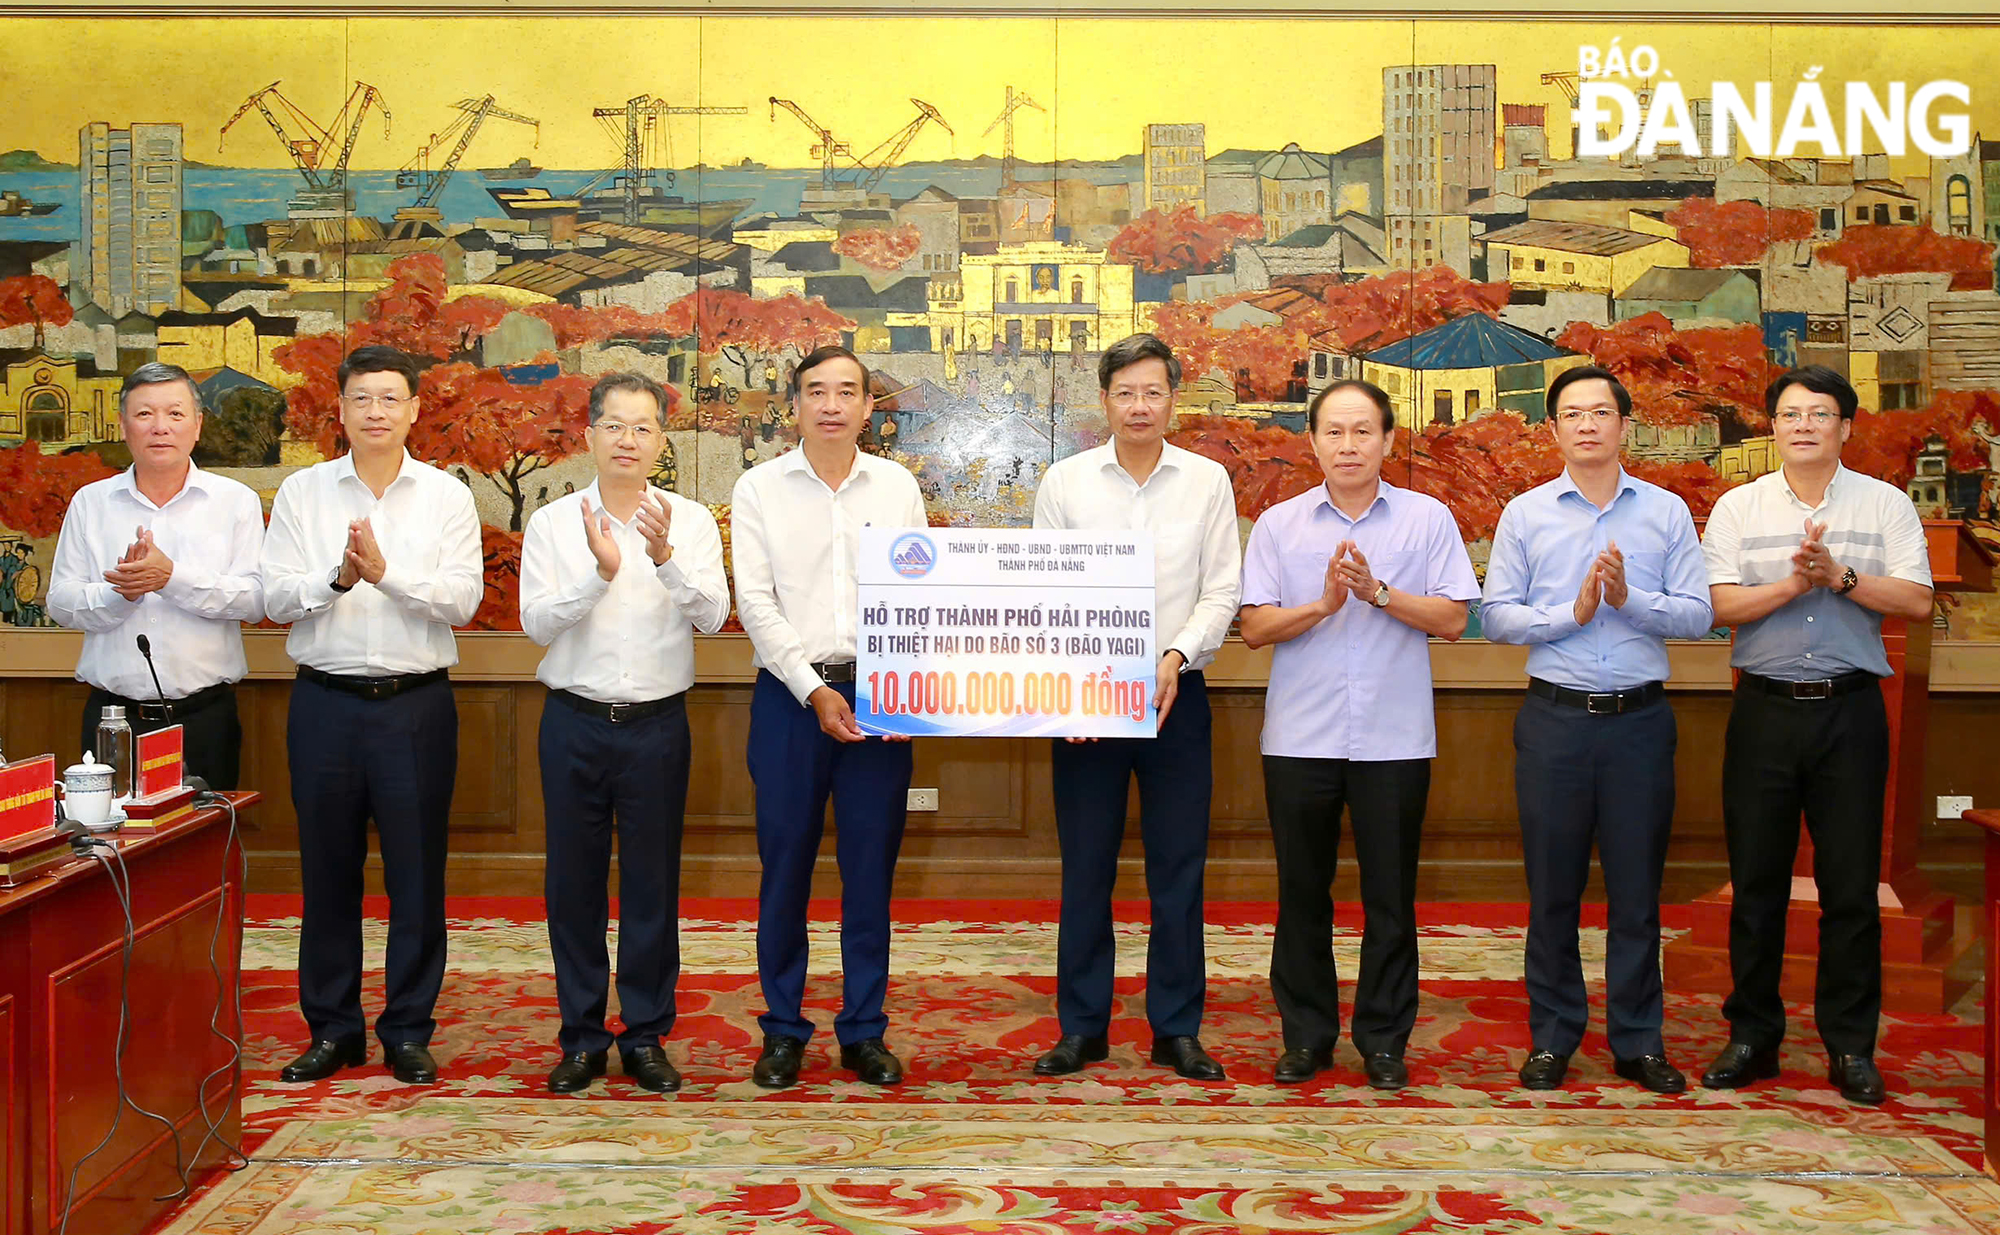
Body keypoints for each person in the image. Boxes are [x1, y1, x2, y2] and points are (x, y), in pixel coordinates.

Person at [1697, 365, 1933, 1106]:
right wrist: (1796, 584)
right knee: (1758, 883)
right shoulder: (1738, 506)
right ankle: (1752, 1035)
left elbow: (1919, 600)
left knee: (1851, 887)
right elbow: (1720, 605)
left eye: (1820, 413)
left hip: (1850, 712)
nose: (1803, 424)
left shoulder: (1886, 504)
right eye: (1790, 413)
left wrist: (1842, 575)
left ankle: (1850, 1046)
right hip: (1763, 710)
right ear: (1771, 426)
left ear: (1845, 427)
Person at [1237, 380, 1478, 1090]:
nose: (1349, 445)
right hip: (1300, 737)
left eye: (1363, 432)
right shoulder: (1280, 525)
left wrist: (1377, 594)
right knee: (1301, 893)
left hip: (1394, 737)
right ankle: (1307, 1036)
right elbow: (1253, 627)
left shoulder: (1426, 518)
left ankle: (1382, 1039)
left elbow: (1454, 618)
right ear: (1311, 441)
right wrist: (1323, 603)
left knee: (1390, 896)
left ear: (1388, 440)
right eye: (1334, 432)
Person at [1480, 365, 1713, 1094]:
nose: (1587, 425)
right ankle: (1552, 1036)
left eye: (1601, 412)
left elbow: (1699, 613)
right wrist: (1572, 614)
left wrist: (1629, 599)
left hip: (1639, 722)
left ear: (1623, 425)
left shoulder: (1666, 512)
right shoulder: (1525, 514)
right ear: (1553, 429)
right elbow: (1496, 616)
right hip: (1554, 722)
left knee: (1637, 893)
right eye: (1572, 414)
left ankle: (1639, 1040)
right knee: (1553, 890)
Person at [261, 344, 483, 1086]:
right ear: (343, 409)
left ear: (416, 408)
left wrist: (386, 576)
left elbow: (462, 600)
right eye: (363, 399)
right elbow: (274, 597)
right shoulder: (303, 493)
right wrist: (337, 578)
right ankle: (333, 1029)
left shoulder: (446, 496)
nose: (377, 412)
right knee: (327, 872)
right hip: (324, 702)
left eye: (391, 398)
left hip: (414, 707)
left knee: (417, 875)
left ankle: (408, 1029)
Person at [1029, 333, 1242, 1081]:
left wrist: (1176, 657)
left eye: (1153, 392)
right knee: (1085, 867)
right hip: (1085, 705)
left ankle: (1176, 1028)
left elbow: (1222, 588)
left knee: (1177, 870)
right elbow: (1045, 593)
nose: (1140, 406)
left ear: (1172, 399)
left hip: (1175, 700)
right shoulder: (1066, 481)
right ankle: (1081, 1027)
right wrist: (1078, 678)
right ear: (1105, 400)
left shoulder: (1207, 481)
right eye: (1126, 393)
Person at [521, 372, 729, 1095]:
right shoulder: (554, 522)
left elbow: (711, 616)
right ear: (589, 436)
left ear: (662, 441)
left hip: (657, 728)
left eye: (643, 428)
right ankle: (580, 1036)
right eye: (614, 425)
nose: (627, 440)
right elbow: (535, 623)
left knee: (651, 885)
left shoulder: (691, 520)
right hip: (573, 722)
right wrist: (597, 574)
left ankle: (644, 1034)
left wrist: (664, 556)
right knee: (571, 886)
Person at [731, 344, 927, 1090]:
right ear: (796, 404)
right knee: (785, 867)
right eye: (817, 390)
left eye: (848, 391)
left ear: (869, 408)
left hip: (882, 700)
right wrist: (813, 687)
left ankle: (863, 1029)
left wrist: (906, 687)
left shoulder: (897, 486)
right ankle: (783, 1028)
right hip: (788, 699)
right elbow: (756, 603)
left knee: (870, 871)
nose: (833, 404)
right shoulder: (759, 489)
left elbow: (915, 596)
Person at [48, 363, 264, 788]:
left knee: (203, 848)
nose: (160, 427)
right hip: (112, 718)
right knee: (111, 848)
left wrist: (171, 579)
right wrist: (121, 595)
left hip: (205, 718)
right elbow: (61, 603)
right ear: (124, 426)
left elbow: (256, 601)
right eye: (145, 414)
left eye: (175, 414)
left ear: (198, 425)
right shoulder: (91, 502)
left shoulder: (235, 502)